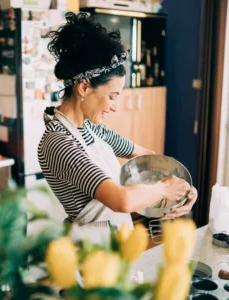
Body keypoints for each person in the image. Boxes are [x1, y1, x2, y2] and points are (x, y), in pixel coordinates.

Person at [38, 12, 197, 237]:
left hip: (115, 238)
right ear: (83, 88)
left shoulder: (92, 129)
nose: (115, 106)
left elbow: (149, 160)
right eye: (112, 96)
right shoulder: (59, 142)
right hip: (87, 249)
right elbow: (121, 200)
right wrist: (165, 189)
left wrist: (184, 189)